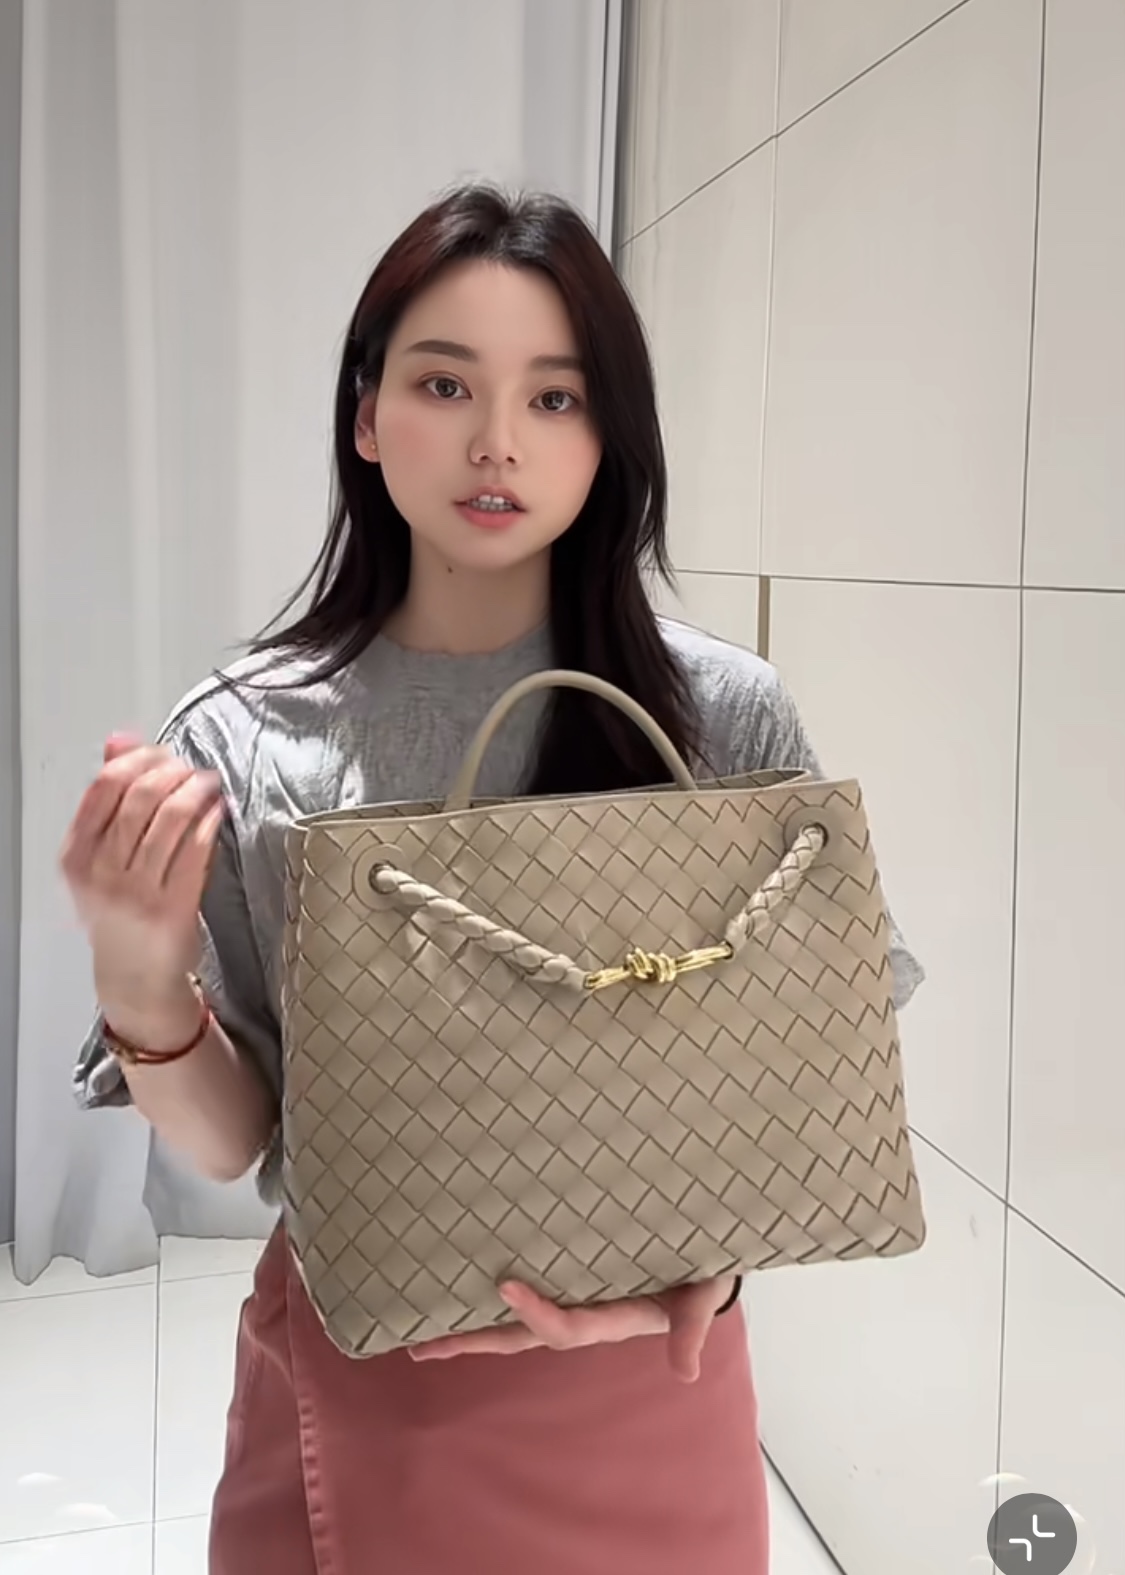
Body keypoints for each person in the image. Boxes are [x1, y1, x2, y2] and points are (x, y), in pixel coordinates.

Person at [65, 183, 923, 1575]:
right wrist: (137, 976)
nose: (495, 442)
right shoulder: (247, 737)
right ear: (366, 416)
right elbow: (236, 1147)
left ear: (608, 436)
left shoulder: (717, 716)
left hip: (658, 1390)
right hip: (372, 1392)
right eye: (445, 383)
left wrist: (706, 1271)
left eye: (554, 398)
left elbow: (814, 1067)